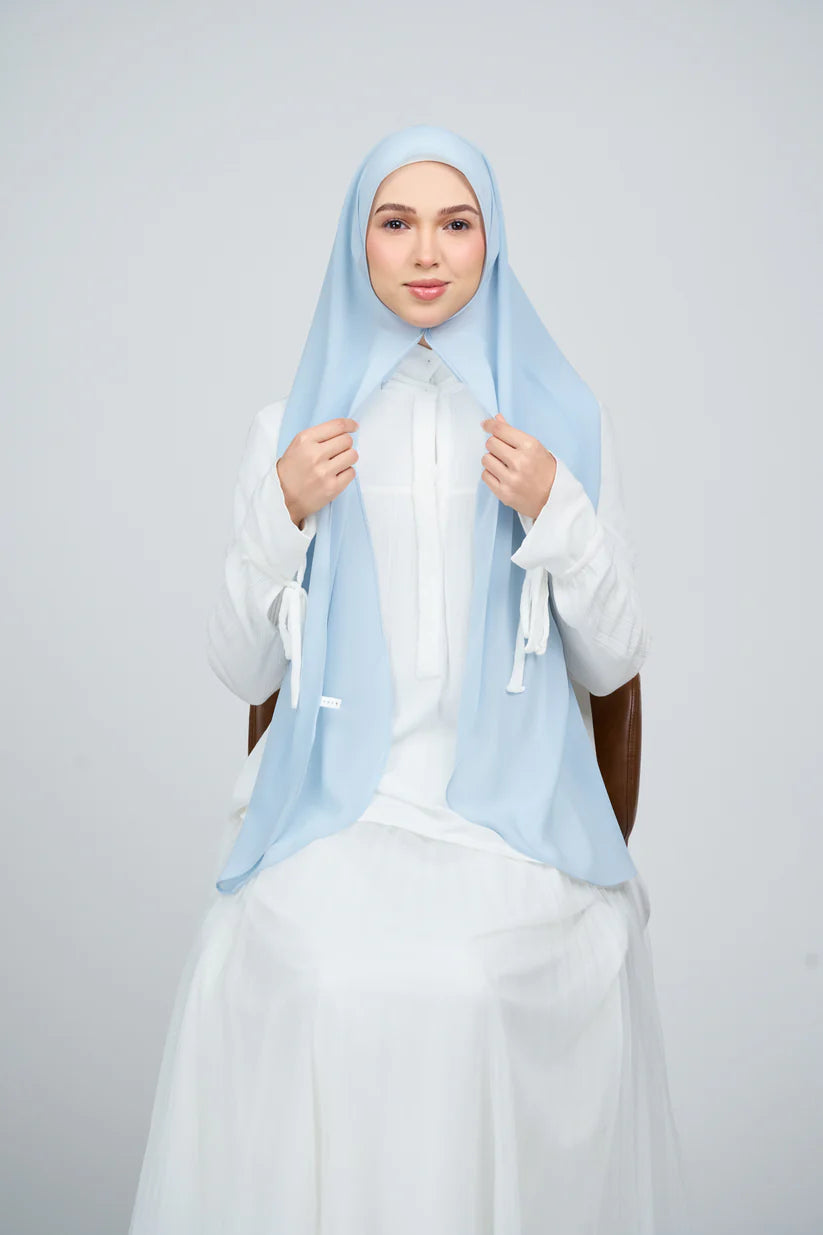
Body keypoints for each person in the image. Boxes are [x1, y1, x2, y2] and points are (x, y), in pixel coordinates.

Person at [128, 125, 694, 1234]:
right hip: (337, 808)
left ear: (491, 242)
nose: (426, 252)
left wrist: (556, 508)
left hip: (510, 818)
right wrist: (283, 507)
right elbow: (241, 667)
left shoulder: (562, 425)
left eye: (454, 223)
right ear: (360, 243)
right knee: (318, 972)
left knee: (470, 986)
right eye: (396, 223)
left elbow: (614, 658)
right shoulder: (290, 430)